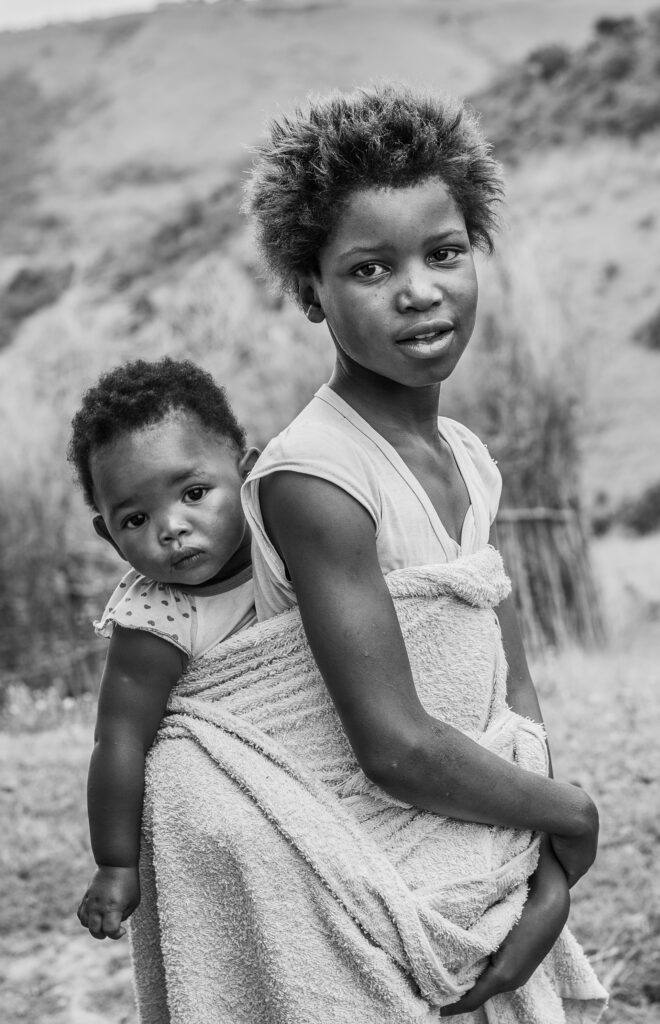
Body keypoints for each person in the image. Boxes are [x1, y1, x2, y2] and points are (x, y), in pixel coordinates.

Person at [237, 83, 603, 1017]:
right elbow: (393, 747)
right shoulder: (317, 476)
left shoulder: (469, 461)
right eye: (369, 268)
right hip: (361, 874)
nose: (419, 291)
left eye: (444, 253)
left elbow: (510, 690)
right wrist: (570, 819)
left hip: (481, 841)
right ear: (309, 292)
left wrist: (543, 873)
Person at [69, 357, 258, 942]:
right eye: (135, 519)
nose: (171, 528)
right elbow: (120, 740)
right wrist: (116, 863)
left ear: (249, 475)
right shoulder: (156, 617)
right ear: (109, 536)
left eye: (195, 493)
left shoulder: (296, 544)